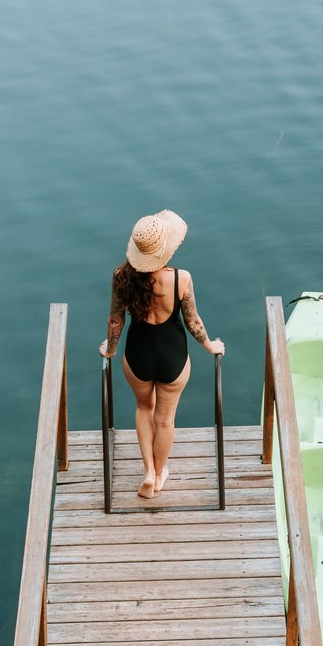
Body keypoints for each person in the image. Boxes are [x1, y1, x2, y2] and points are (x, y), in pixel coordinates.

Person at [100, 210, 225, 498]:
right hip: (173, 357)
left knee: (144, 409)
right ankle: (159, 474)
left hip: (137, 354)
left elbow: (115, 320)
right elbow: (193, 322)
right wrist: (210, 346)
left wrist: (110, 349)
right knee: (166, 419)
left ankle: (146, 471)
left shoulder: (121, 277)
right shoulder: (181, 278)